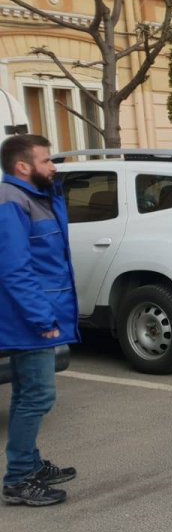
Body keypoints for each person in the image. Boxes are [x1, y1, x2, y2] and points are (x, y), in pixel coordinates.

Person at [1, 134, 79, 506]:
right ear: (22, 166)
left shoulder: (33, 196)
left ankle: (28, 464)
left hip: (30, 318)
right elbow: (14, 269)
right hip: (27, 321)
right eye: (46, 161)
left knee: (26, 395)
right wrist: (41, 317)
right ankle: (18, 480)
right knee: (38, 396)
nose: (53, 167)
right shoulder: (11, 201)